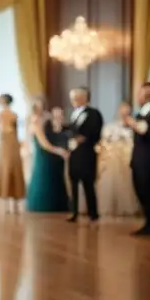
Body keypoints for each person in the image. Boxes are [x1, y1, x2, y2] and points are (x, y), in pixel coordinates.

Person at [63, 87, 103, 223]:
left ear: (84, 98)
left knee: (88, 184)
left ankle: (93, 213)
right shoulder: (73, 113)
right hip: (74, 153)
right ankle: (74, 211)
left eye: (75, 97)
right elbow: (71, 129)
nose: (72, 100)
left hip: (87, 154)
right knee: (73, 182)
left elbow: (96, 131)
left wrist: (84, 138)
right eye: (72, 97)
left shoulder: (94, 113)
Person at [25, 97, 69, 212]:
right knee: (44, 176)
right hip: (43, 154)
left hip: (52, 154)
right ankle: (44, 205)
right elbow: (44, 144)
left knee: (55, 177)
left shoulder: (47, 117)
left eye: (42, 106)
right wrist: (59, 151)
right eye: (38, 107)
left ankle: (58, 204)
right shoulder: (35, 122)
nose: (41, 109)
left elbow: (58, 128)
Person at [97, 101, 140, 217]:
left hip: (126, 157)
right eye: (122, 112)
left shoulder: (132, 127)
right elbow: (104, 141)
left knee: (126, 181)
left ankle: (126, 207)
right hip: (112, 158)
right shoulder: (110, 126)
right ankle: (108, 206)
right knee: (109, 181)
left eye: (127, 112)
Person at [127, 82, 150, 236]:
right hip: (139, 159)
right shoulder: (139, 113)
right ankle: (149, 224)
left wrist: (134, 124)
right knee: (141, 191)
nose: (138, 96)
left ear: (149, 94)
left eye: (141, 93)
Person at [0, 94, 26, 211]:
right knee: (13, 169)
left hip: (6, 144)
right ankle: (14, 203)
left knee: (6, 169)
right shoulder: (13, 115)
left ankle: (8, 203)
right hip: (11, 144)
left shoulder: (0, 115)